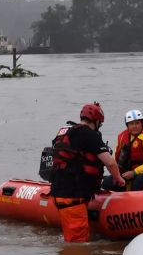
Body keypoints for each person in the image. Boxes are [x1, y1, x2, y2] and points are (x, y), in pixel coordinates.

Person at [49, 102, 125, 242]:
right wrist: (118, 178)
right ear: (96, 121)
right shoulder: (89, 135)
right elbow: (110, 162)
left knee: (73, 239)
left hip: (59, 192)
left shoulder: (67, 131)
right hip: (73, 196)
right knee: (78, 244)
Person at [100, 109, 143, 192]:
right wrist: (116, 174)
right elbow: (117, 158)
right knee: (107, 182)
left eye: (137, 123)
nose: (134, 126)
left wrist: (134, 172)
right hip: (127, 172)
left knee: (138, 182)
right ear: (127, 125)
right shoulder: (122, 136)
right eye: (131, 124)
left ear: (142, 124)